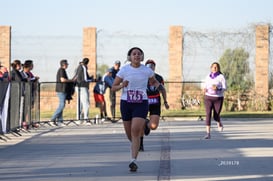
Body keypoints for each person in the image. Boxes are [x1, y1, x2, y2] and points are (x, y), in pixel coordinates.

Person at [111, 47, 163, 172]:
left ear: (142, 57)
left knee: (135, 130)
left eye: (139, 54)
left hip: (141, 103)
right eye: (134, 54)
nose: (136, 56)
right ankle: (136, 144)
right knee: (130, 134)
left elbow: (154, 82)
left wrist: (159, 87)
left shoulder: (146, 70)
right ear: (130, 57)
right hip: (126, 103)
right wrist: (122, 85)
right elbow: (113, 87)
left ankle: (133, 160)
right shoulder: (124, 70)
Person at [139, 59, 169, 151]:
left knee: (153, 126)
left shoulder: (159, 78)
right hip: (143, 102)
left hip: (155, 102)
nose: (150, 67)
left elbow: (163, 90)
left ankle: (147, 123)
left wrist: (165, 101)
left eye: (152, 66)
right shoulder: (141, 77)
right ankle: (140, 144)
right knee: (140, 123)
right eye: (148, 66)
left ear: (154, 68)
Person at [203, 62, 226, 139]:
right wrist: (204, 89)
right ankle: (208, 134)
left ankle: (219, 122)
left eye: (216, 67)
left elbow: (224, 88)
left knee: (216, 116)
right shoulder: (207, 77)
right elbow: (204, 86)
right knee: (208, 114)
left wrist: (218, 89)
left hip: (218, 98)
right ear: (211, 68)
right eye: (213, 67)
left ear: (218, 68)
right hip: (208, 97)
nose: (215, 68)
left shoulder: (221, 77)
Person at [51, 59, 75, 126]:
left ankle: (60, 121)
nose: (67, 65)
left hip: (63, 90)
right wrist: (71, 80)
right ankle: (52, 119)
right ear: (64, 64)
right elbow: (62, 80)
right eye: (67, 64)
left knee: (62, 105)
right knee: (62, 105)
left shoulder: (62, 70)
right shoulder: (61, 70)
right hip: (61, 90)